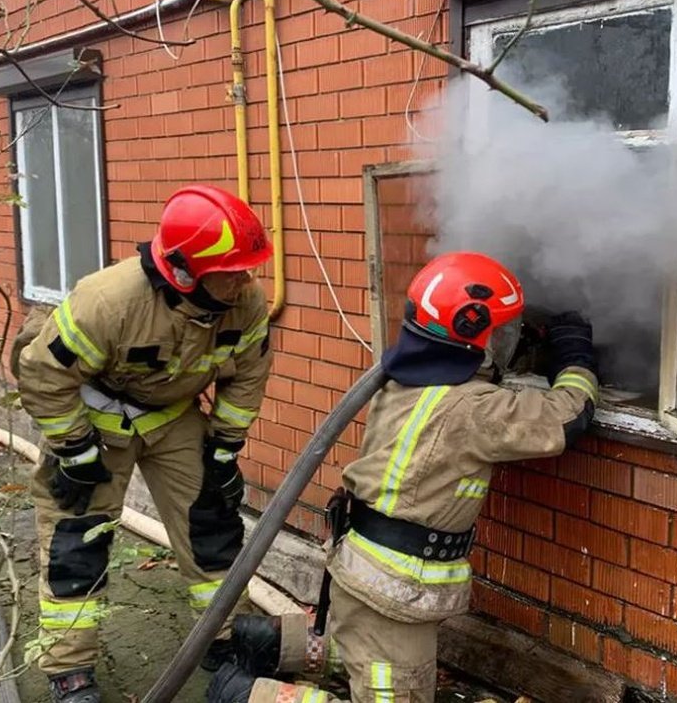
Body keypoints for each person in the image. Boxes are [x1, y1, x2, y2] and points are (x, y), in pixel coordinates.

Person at [205, 250, 599, 703]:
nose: (513, 340)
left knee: (362, 650)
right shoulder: (470, 407)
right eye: (506, 331)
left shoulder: (407, 376)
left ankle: (266, 642)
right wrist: (575, 356)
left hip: (363, 569)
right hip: (392, 589)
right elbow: (567, 416)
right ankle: (241, 696)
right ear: (474, 332)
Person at [11, 184, 276, 703]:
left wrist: (225, 447)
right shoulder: (108, 302)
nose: (246, 279)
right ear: (184, 273)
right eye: (233, 271)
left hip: (173, 417)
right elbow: (43, 375)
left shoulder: (244, 303)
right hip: (94, 417)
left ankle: (223, 638)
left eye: (248, 268)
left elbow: (248, 376)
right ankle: (69, 669)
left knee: (212, 523)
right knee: (77, 539)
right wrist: (75, 450)